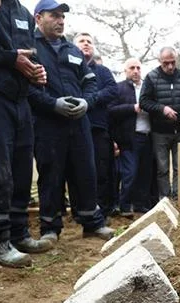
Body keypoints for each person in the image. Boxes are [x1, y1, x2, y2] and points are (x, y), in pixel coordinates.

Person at [0, 0, 52, 269]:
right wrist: (11, 59)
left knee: (20, 169)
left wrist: (36, 70)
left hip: (21, 99)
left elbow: (31, 53)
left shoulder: (24, 14)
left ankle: (20, 234)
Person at [29, 0, 114, 242]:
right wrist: (52, 104)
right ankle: (49, 228)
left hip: (79, 122)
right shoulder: (29, 47)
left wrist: (87, 102)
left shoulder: (73, 50)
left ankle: (92, 222)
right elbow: (27, 89)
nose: (60, 21)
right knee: (51, 173)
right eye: (54, 15)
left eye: (62, 17)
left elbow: (90, 82)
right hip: (47, 123)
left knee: (85, 171)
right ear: (38, 18)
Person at [140, 47, 180, 200]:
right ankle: (164, 199)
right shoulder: (151, 77)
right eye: (166, 63)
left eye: (173, 62)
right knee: (162, 168)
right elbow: (143, 101)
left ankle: (178, 197)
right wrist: (162, 108)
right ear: (160, 61)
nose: (170, 66)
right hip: (160, 131)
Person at [74, 32, 119, 217]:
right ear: (73, 46)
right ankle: (80, 211)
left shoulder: (103, 71)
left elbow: (112, 90)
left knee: (101, 170)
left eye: (89, 42)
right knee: (79, 171)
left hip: (99, 128)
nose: (86, 44)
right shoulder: (69, 70)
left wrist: (89, 100)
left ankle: (102, 211)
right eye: (82, 41)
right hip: (75, 126)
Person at [109, 58, 153, 217]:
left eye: (138, 68)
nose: (136, 71)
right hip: (129, 138)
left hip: (148, 136)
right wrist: (132, 108)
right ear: (125, 70)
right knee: (130, 173)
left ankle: (141, 205)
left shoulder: (148, 88)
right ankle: (124, 205)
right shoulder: (118, 88)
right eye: (132, 68)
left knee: (145, 173)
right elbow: (111, 110)